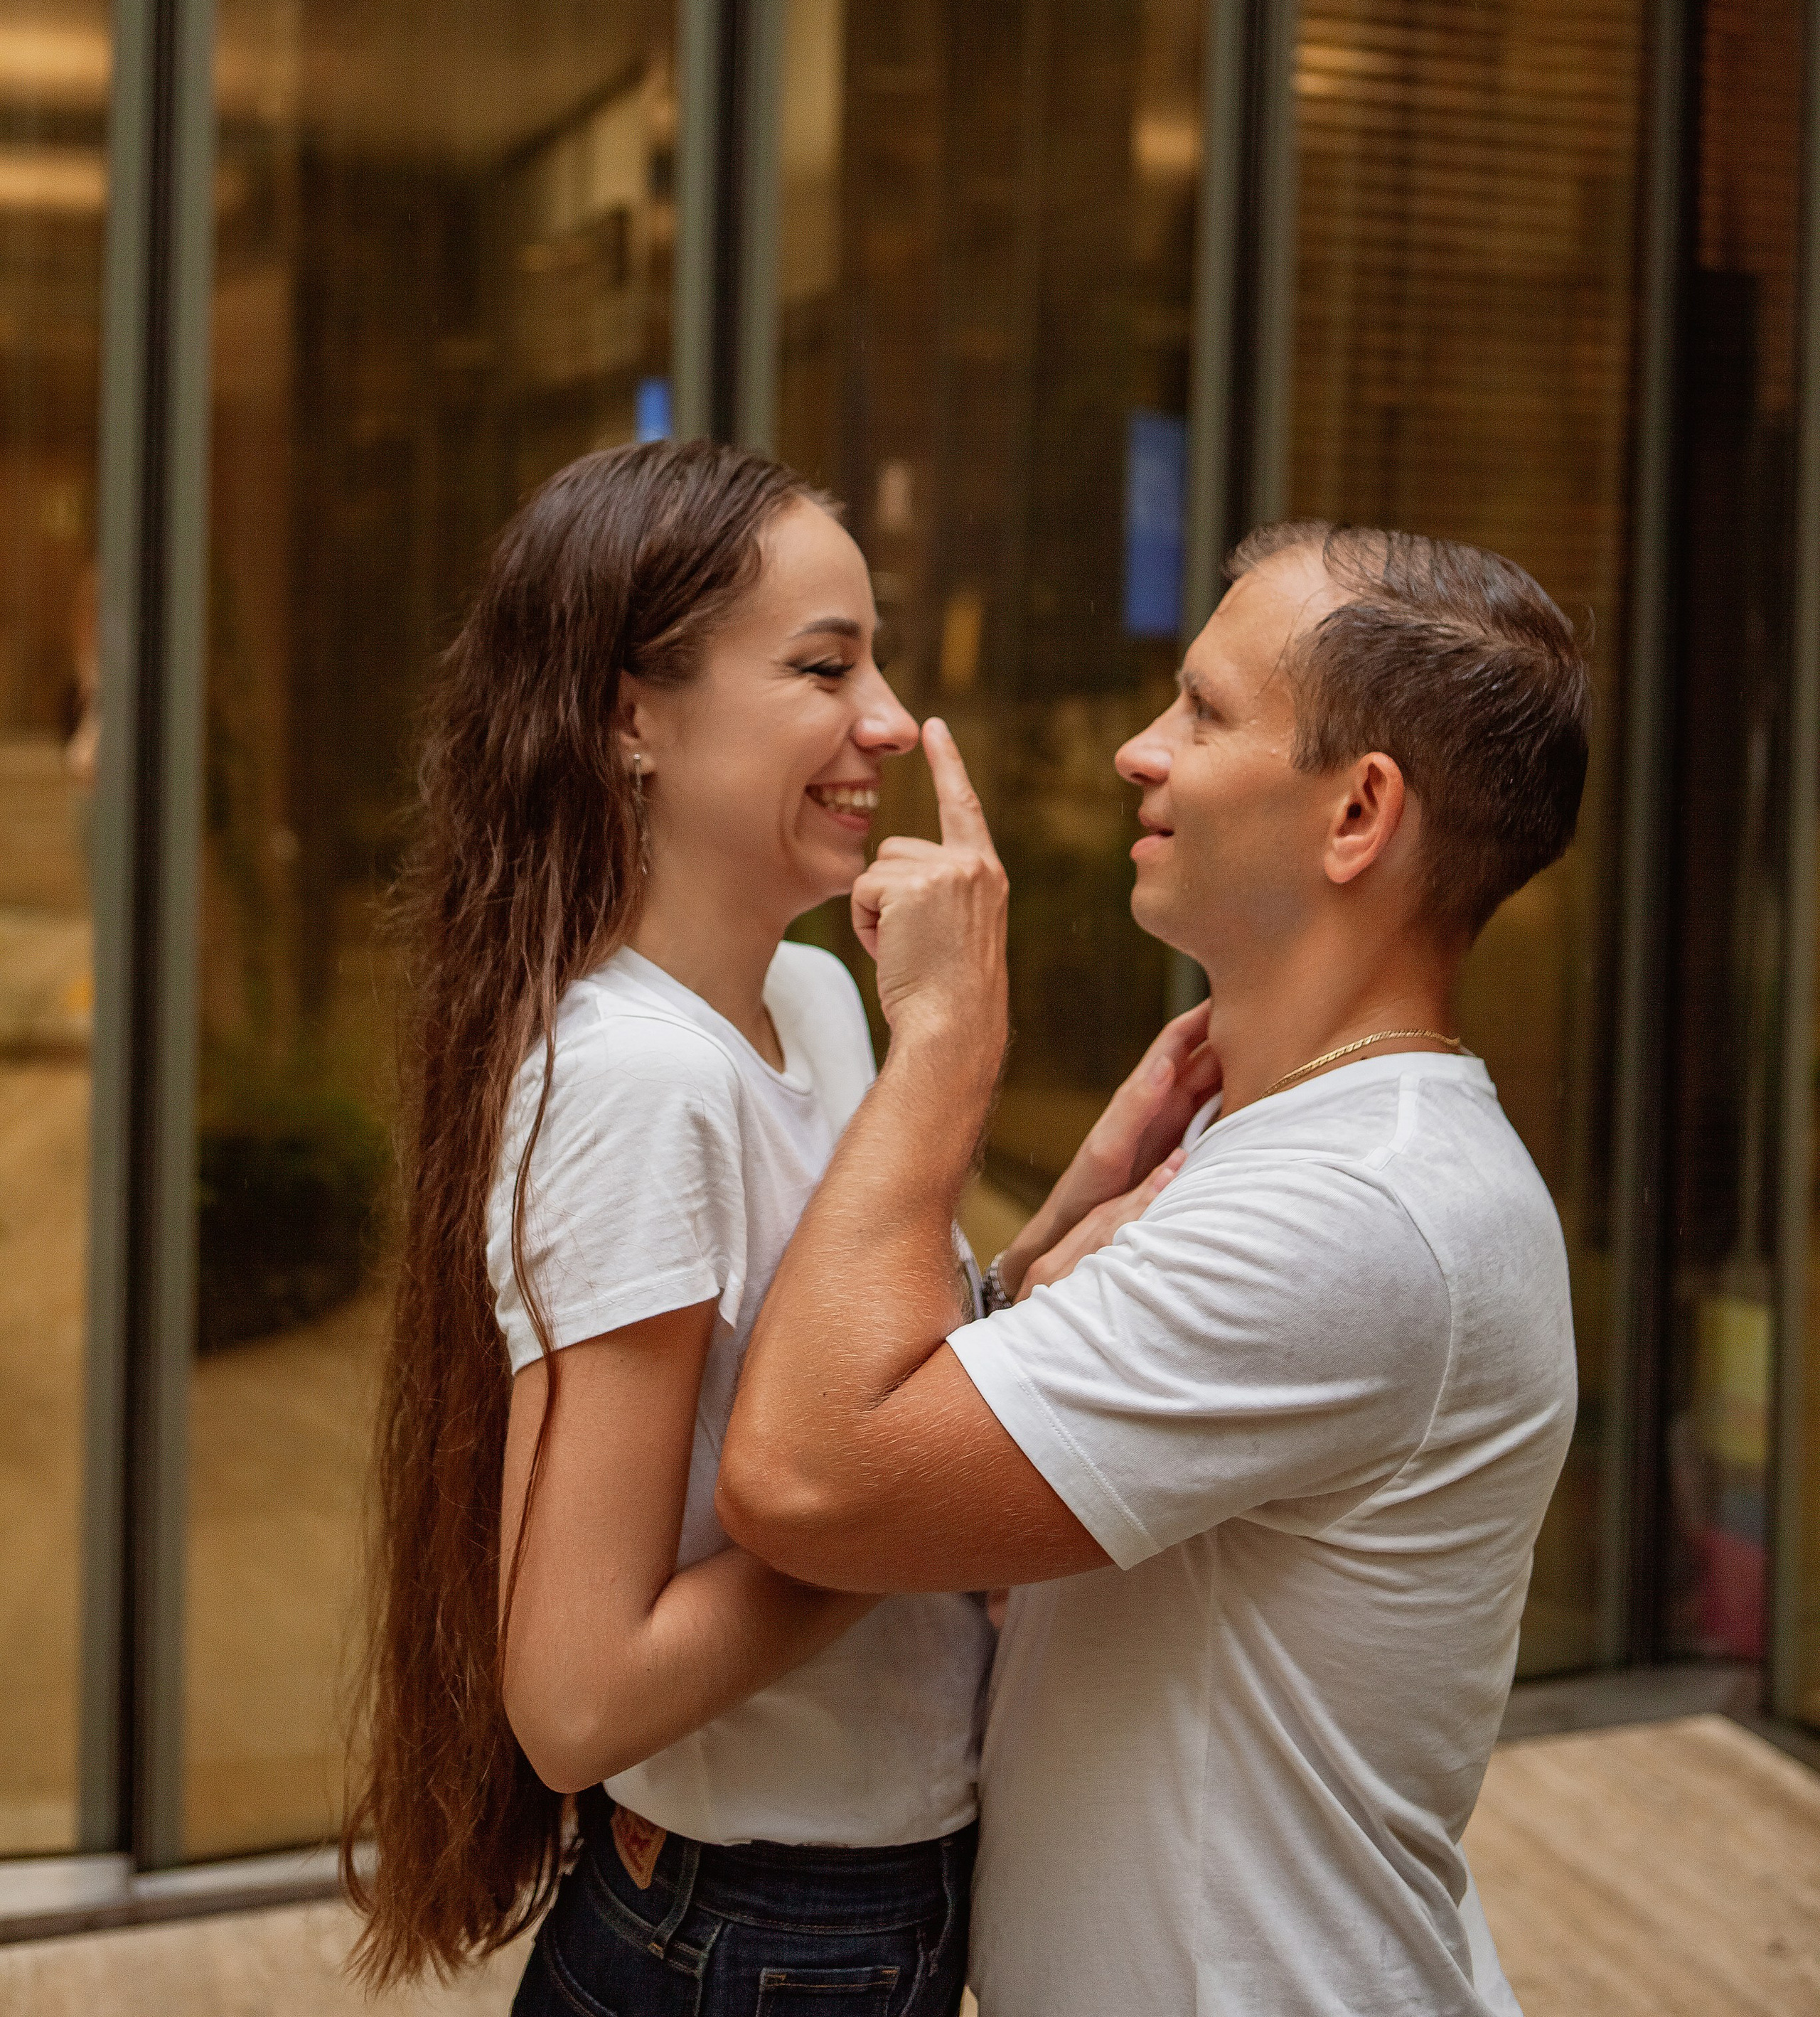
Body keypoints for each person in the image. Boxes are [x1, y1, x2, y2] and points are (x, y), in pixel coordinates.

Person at [719, 522, 1589, 2017]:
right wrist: (1056, 1239)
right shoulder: (1265, 1156)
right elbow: (995, 1526)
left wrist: (939, 1049)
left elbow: (803, 1481)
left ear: (1355, 816)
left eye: (1201, 711)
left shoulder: (1349, 1212)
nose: (1137, 750)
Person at [344, 439, 994, 2011]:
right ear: (631, 716)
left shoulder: (816, 997)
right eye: (823, 665)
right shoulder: (637, 1083)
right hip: (759, 1934)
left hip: (873, 1894)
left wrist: (1092, 1180)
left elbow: (887, 1368)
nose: (890, 720)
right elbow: (575, 1697)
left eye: (875, 659)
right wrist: (922, 1521)